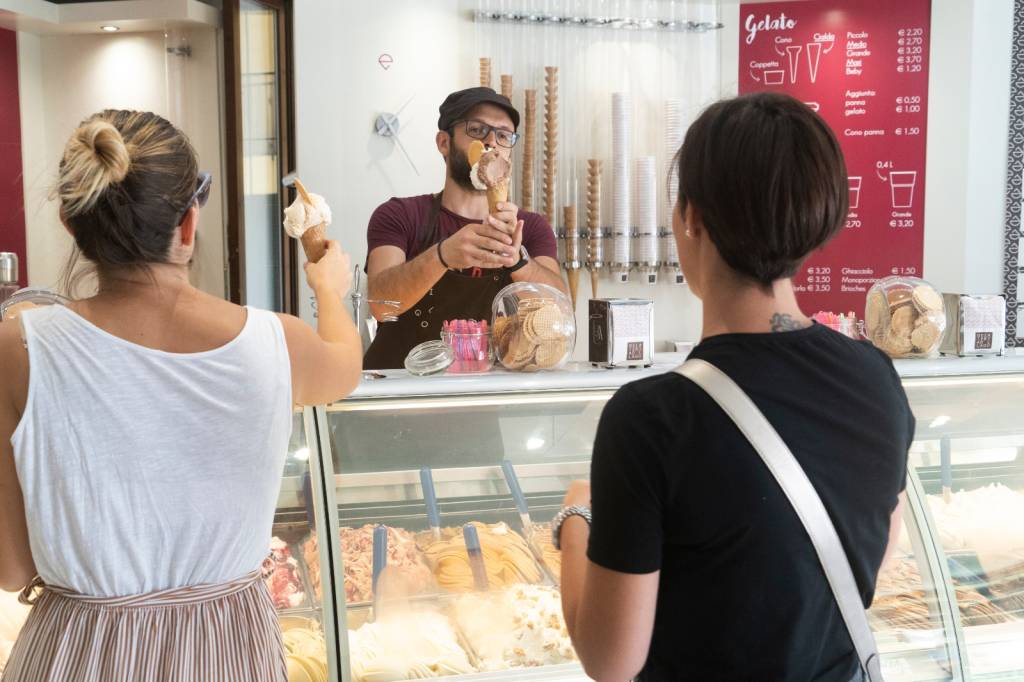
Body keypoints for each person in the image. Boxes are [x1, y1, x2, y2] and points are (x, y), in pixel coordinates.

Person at [554, 93, 914, 681]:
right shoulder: (877, 376)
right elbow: (874, 553)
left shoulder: (653, 418)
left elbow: (611, 661)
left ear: (690, 215)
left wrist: (575, 518)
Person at [0, 110, 362, 680]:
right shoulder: (278, 342)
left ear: (72, 225)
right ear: (189, 224)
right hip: (229, 648)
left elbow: (13, 567)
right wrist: (329, 288)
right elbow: (346, 367)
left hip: (79, 651)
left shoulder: (18, 348)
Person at [362, 87, 566, 369]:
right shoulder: (400, 215)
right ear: (444, 142)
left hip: (480, 397)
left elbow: (560, 314)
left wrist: (518, 260)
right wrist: (442, 256)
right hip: (401, 393)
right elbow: (382, 305)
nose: (491, 143)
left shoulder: (529, 228)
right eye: (477, 129)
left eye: (504, 135)